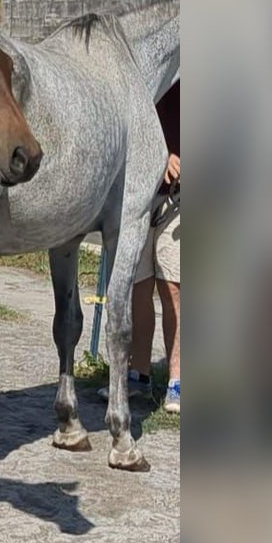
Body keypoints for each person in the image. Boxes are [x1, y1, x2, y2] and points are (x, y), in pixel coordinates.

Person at [116, 77, 181, 412]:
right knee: (137, 286)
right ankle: (138, 373)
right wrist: (159, 155)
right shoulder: (142, 73)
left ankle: (178, 380)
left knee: (173, 287)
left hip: (179, 196)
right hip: (138, 192)